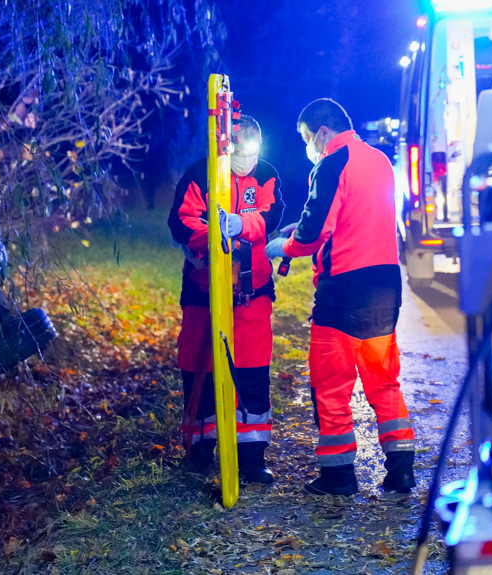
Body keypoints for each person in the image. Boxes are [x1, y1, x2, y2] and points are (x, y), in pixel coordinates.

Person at [265, 98, 415, 496]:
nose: (308, 146)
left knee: (331, 385)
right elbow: (352, 216)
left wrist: (283, 247)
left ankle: (338, 476)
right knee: (384, 382)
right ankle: (401, 470)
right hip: (385, 286)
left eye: (306, 137)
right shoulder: (380, 160)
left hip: (343, 292)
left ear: (322, 132)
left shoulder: (332, 162)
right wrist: (305, 227)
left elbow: (314, 234)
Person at [168, 115, 284, 483]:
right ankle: (199, 452)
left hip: (252, 293)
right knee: (197, 368)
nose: (248, 158)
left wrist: (240, 225)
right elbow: (181, 223)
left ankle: (251, 458)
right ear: (225, 146)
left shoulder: (265, 174)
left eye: (254, 149)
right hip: (203, 292)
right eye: (240, 149)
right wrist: (214, 234)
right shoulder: (200, 174)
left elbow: (270, 216)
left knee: (252, 372)